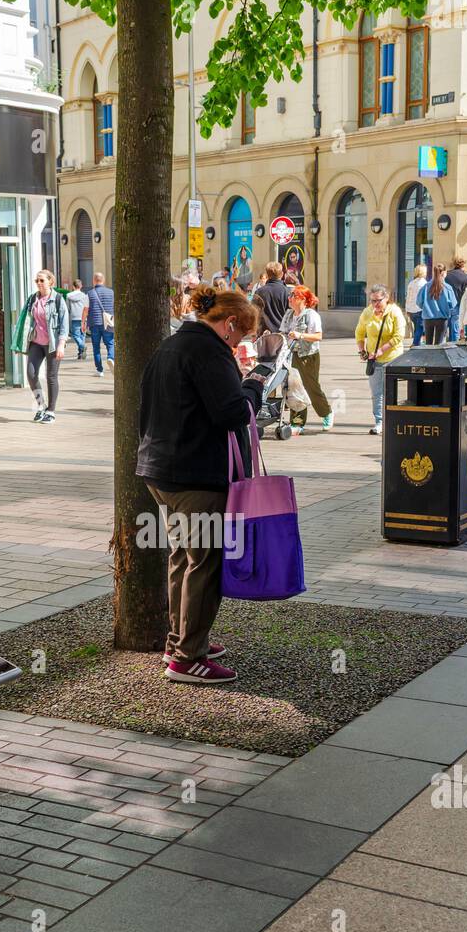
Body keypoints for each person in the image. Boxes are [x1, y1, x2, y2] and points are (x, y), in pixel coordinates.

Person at [137, 285, 273, 685]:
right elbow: (230, 412)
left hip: (161, 471)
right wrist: (254, 386)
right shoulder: (209, 352)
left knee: (182, 556)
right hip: (196, 474)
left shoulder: (171, 346)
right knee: (204, 563)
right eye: (242, 335)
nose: (240, 343)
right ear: (229, 324)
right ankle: (187, 657)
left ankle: (180, 639)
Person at [11, 268, 69, 423]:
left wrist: (61, 344)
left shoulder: (58, 300)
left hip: (52, 344)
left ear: (50, 281)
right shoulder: (33, 299)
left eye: (42, 280)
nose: (38, 283)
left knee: (51, 376)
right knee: (31, 374)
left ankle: (51, 411)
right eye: (37, 280)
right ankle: (41, 406)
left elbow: (64, 323)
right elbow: (24, 322)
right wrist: (19, 343)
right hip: (36, 342)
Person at [279, 285, 332, 434]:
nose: (289, 299)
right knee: (294, 388)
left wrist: (300, 335)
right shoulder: (288, 314)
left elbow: (318, 336)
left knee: (311, 387)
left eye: (293, 296)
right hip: (290, 355)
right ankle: (297, 423)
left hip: (308, 356)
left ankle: (326, 413)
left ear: (302, 299)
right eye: (290, 296)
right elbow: (283, 332)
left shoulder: (311, 315)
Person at [356, 284, 407, 434]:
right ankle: (379, 422)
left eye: (378, 300)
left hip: (393, 358)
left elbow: (399, 336)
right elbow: (359, 333)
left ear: (387, 298)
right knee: (377, 393)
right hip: (374, 359)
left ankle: (394, 420)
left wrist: (381, 350)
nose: (375, 304)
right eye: (372, 301)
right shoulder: (367, 313)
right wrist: (362, 351)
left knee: (391, 392)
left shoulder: (395, 312)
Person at [83, 271, 115, 376]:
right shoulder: (111, 292)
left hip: (94, 323)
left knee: (96, 347)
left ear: (94, 281)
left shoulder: (90, 293)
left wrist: (83, 322)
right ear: (103, 280)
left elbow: (86, 310)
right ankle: (110, 358)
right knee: (110, 343)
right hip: (108, 323)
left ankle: (99, 370)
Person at [416, 263, 457, 344]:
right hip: (442, 318)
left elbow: (419, 302)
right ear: (444, 273)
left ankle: (428, 357)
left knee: (428, 344)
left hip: (428, 318)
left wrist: (426, 308)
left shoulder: (426, 286)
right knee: (439, 344)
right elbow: (453, 304)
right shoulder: (447, 288)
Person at [252, 260, 291, 334]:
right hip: (282, 335)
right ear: (282, 274)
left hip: (264, 335)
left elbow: (254, 314)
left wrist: (254, 333)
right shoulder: (287, 291)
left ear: (267, 275)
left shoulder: (259, 292)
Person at [445, 256, 467, 341]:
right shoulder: (466, 277)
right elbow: (465, 293)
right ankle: (454, 346)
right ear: (463, 265)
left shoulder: (446, 274)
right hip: (458, 304)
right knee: (455, 328)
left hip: (446, 304)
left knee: (444, 329)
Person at [404, 264, 427, 345]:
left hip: (411, 310)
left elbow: (408, 297)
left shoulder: (411, 283)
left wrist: (407, 309)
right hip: (419, 309)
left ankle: (418, 343)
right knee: (419, 328)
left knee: (417, 328)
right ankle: (415, 344)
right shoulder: (424, 283)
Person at [67, 278, 88, 360]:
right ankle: (81, 352)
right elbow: (86, 308)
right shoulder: (85, 296)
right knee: (82, 335)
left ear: (73, 286)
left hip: (74, 317)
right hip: (83, 318)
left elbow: (68, 308)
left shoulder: (69, 296)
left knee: (75, 335)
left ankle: (82, 349)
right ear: (81, 286)